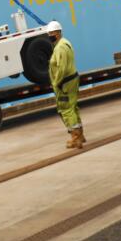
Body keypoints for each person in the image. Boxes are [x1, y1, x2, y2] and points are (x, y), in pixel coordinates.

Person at [46, 20, 84, 149]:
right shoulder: (65, 43)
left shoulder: (61, 47)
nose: (49, 35)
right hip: (70, 80)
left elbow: (62, 68)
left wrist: (57, 83)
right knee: (73, 108)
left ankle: (75, 138)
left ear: (58, 33)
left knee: (66, 109)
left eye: (51, 33)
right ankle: (80, 135)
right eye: (48, 33)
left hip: (64, 83)